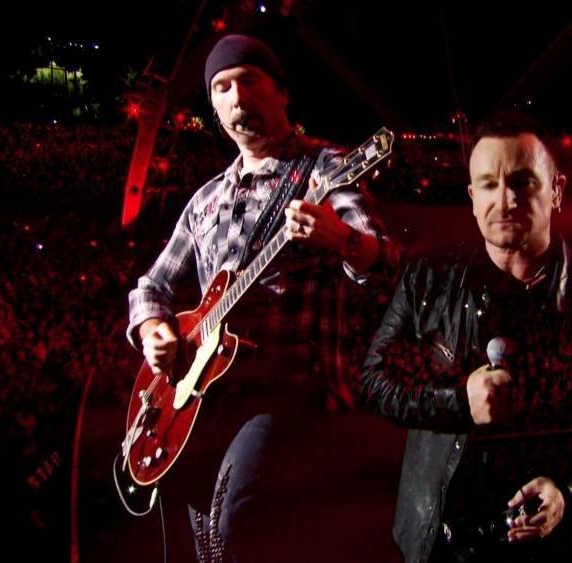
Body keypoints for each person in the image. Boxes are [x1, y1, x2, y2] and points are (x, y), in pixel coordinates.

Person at [127, 34, 396, 562]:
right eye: (222, 88)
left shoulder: (325, 168)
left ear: (281, 93)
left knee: (239, 522)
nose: (236, 98)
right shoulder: (205, 200)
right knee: (203, 537)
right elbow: (151, 288)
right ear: (214, 108)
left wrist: (340, 238)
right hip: (208, 395)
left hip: (293, 386)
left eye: (249, 81)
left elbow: (387, 262)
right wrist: (154, 330)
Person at [361, 112, 572, 563]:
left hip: (546, 547)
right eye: (488, 184)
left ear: (556, 191)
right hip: (435, 539)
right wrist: (459, 401)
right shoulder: (428, 279)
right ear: (472, 197)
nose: (505, 200)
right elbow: (376, 380)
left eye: (522, 182)